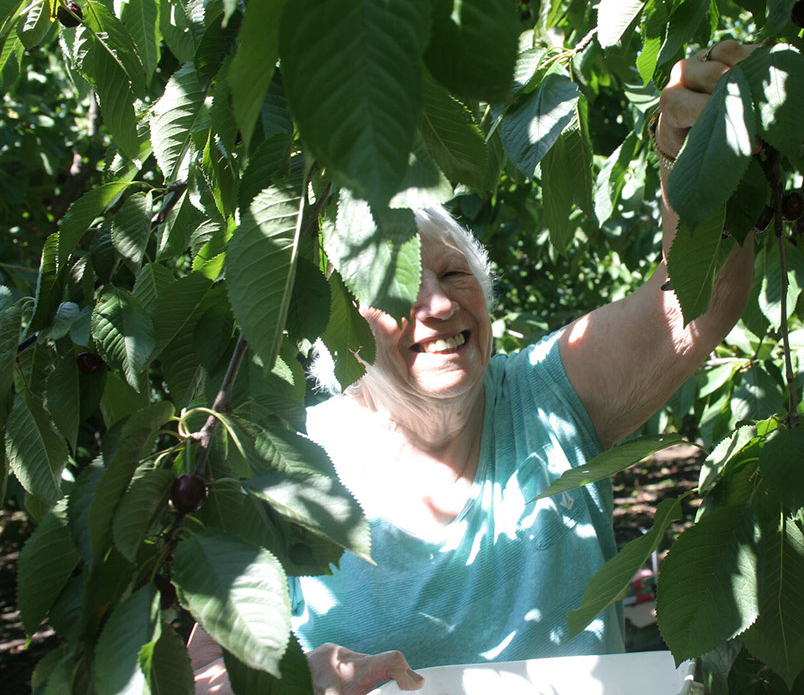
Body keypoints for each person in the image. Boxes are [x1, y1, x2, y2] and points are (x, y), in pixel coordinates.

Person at [190, 40, 757, 694]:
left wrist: (690, 157)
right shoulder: (281, 469)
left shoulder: (548, 397)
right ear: (338, 326)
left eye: (454, 272)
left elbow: (696, 300)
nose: (435, 304)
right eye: (394, 287)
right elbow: (205, 671)